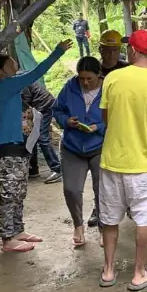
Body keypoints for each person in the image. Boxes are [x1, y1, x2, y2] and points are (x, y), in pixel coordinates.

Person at [99, 30, 147, 291]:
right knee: (144, 219)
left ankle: (108, 271)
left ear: (131, 51)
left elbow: (106, 118)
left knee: (109, 218)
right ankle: (138, 273)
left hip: (112, 161)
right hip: (144, 164)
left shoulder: (112, 78)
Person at [0, 40, 72, 252]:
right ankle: (7, 238)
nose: (15, 66)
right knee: (10, 192)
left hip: (17, 146)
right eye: (11, 64)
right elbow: (35, 73)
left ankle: (17, 229)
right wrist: (57, 52)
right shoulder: (6, 84)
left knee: (19, 190)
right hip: (7, 147)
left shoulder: (8, 86)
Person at [53, 56, 105, 247]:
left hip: (100, 147)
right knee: (71, 190)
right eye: (81, 78)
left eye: (89, 78)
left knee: (102, 191)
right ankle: (78, 225)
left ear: (99, 75)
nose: (85, 82)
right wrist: (66, 121)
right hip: (72, 147)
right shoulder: (70, 87)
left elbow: (116, 116)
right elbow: (57, 109)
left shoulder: (108, 88)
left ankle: (103, 228)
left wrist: (98, 127)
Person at [22, 81, 62, 184]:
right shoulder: (17, 77)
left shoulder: (19, 79)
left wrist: (24, 116)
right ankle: (33, 170)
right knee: (32, 136)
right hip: (40, 106)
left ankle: (57, 169)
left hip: (44, 106)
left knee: (42, 137)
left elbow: (26, 100)